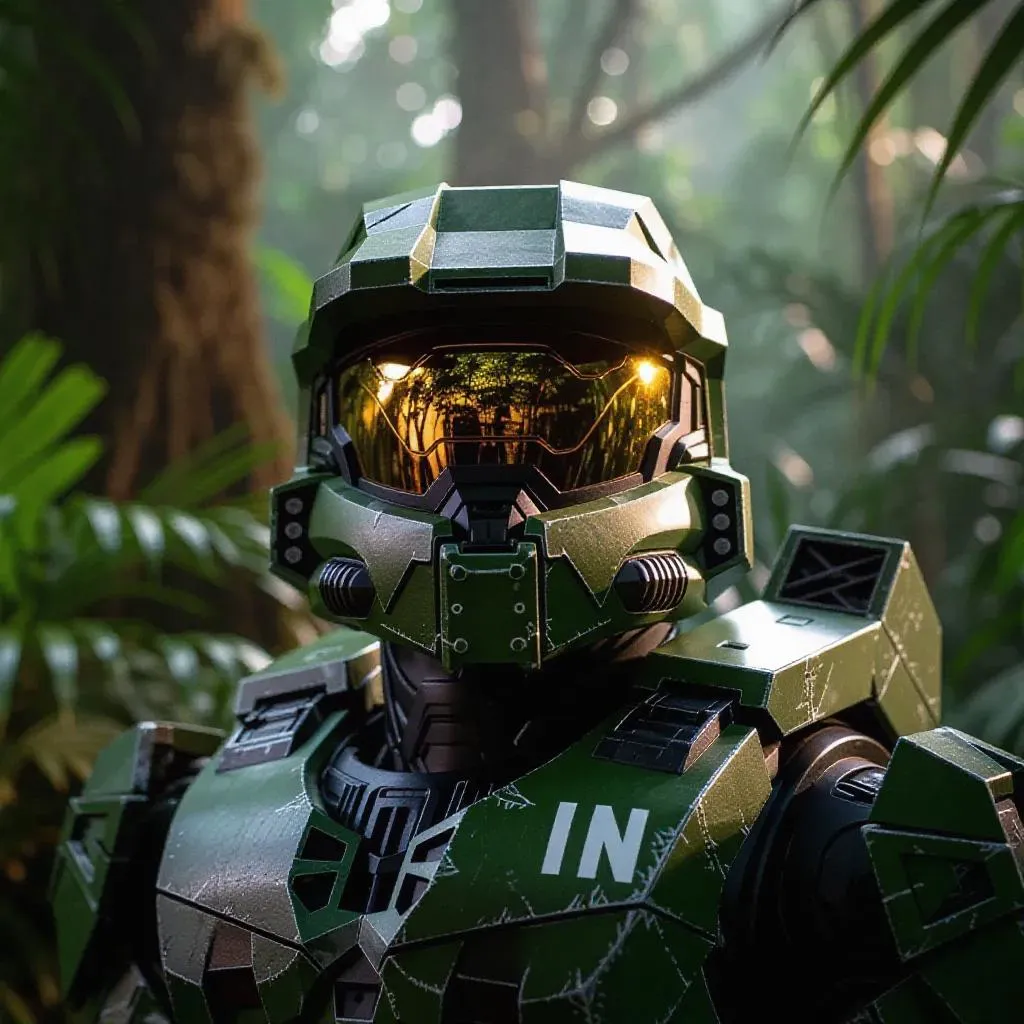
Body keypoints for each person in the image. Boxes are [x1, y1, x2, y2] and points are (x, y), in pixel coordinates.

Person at [52, 181, 1024, 1023]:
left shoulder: (813, 825)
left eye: (567, 423)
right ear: (329, 458)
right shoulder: (175, 818)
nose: (489, 495)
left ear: (688, 455)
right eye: (426, 428)